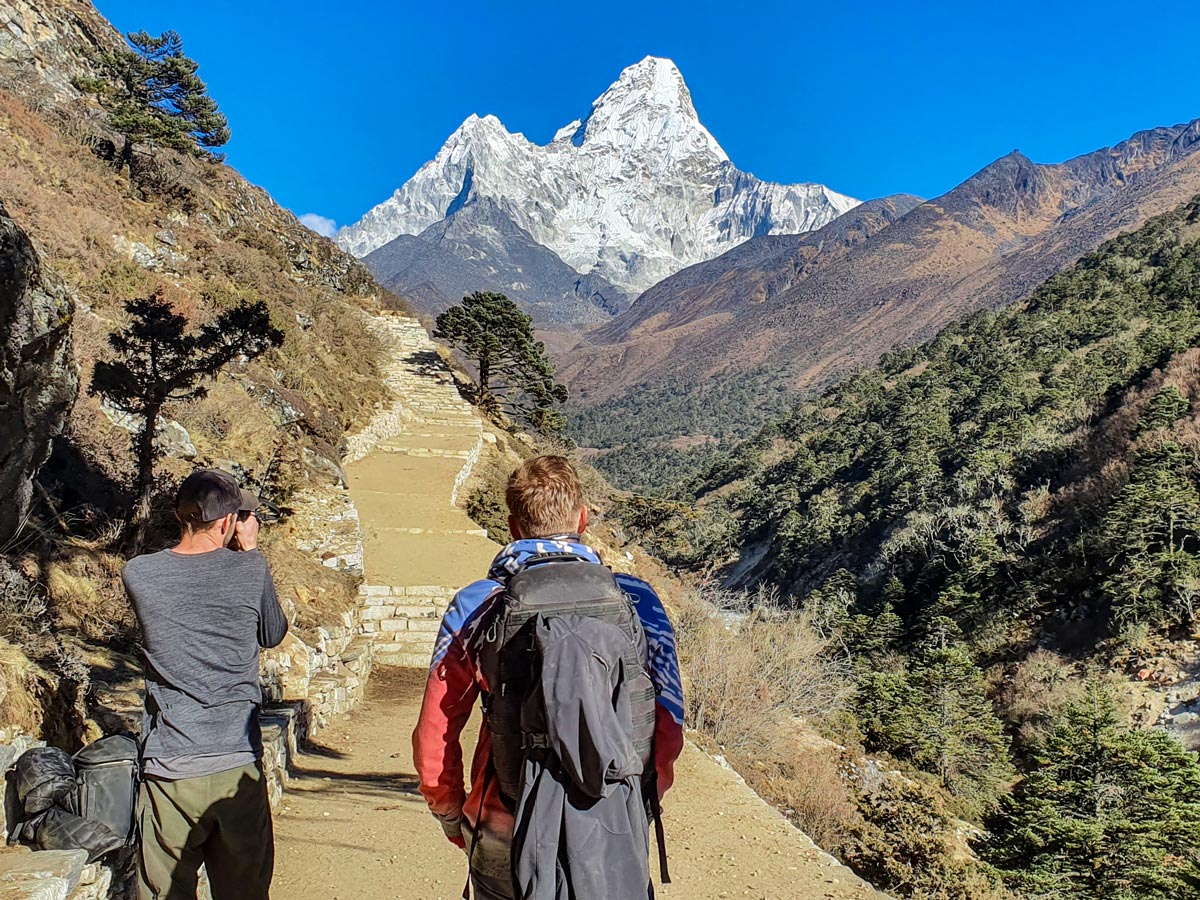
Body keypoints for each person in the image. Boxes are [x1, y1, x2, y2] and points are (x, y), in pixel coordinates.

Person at [413, 455, 686, 899]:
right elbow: (668, 720)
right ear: (582, 518)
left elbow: (435, 731)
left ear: (513, 526)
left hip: (505, 819)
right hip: (615, 818)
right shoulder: (637, 599)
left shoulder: (477, 603)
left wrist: (452, 815)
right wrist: (643, 800)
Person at [122, 468, 288, 900]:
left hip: (170, 765)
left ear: (181, 516)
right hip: (236, 763)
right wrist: (250, 552)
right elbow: (272, 633)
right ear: (227, 522)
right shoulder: (249, 570)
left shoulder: (139, 574)